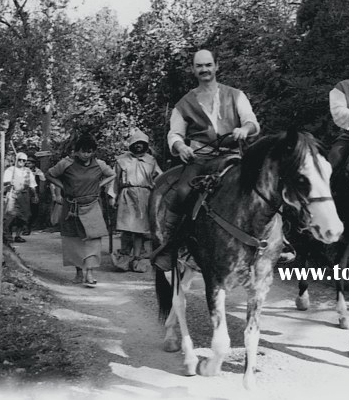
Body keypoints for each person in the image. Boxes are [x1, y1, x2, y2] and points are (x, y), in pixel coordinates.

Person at [154, 49, 261, 270]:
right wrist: (180, 146)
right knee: (183, 192)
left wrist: (244, 129)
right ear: (193, 69)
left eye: (208, 65)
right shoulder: (184, 104)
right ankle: (170, 245)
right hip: (200, 158)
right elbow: (174, 133)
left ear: (216, 66)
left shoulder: (236, 95)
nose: (204, 69)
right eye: (199, 66)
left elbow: (251, 120)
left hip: (233, 157)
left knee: (263, 185)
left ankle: (274, 241)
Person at [47, 133, 115, 288]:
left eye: (90, 151)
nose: (86, 154)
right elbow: (50, 175)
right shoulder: (66, 164)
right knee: (74, 240)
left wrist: (100, 185)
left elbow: (112, 174)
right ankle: (78, 272)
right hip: (72, 207)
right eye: (83, 151)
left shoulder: (99, 164)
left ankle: (90, 273)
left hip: (92, 207)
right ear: (76, 151)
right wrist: (63, 187)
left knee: (93, 240)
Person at [109, 129, 162, 272]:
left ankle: (138, 258)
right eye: (136, 143)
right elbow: (114, 179)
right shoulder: (122, 160)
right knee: (127, 228)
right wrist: (112, 196)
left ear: (145, 145)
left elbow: (160, 177)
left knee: (140, 229)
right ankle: (125, 257)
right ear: (131, 144)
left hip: (145, 196)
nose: (138, 146)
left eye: (141, 143)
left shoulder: (151, 160)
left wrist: (160, 195)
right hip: (127, 195)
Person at [3, 152, 37, 243]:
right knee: (10, 215)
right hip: (13, 194)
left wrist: (35, 195)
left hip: (24, 195)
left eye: (23, 160)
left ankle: (18, 235)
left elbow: (32, 185)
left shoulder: (27, 171)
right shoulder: (10, 170)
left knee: (24, 216)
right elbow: (5, 183)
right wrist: (10, 183)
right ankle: (7, 236)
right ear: (16, 160)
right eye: (20, 159)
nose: (21, 162)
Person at [25, 155, 46, 235]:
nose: (28, 165)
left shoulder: (37, 171)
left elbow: (43, 179)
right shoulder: (23, 171)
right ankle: (25, 227)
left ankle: (29, 226)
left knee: (34, 211)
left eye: (29, 163)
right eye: (27, 163)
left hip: (33, 193)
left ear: (33, 164)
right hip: (24, 193)